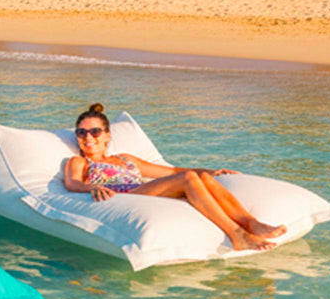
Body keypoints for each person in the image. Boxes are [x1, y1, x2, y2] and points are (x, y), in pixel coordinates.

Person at [62, 103, 286, 252]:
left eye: (94, 132)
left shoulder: (126, 158)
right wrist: (90, 187)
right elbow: (72, 182)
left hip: (144, 190)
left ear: (107, 135)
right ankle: (237, 235)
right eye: (81, 133)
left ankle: (251, 224)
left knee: (201, 180)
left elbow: (170, 172)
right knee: (189, 178)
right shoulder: (81, 161)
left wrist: (210, 172)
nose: (87, 137)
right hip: (126, 195)